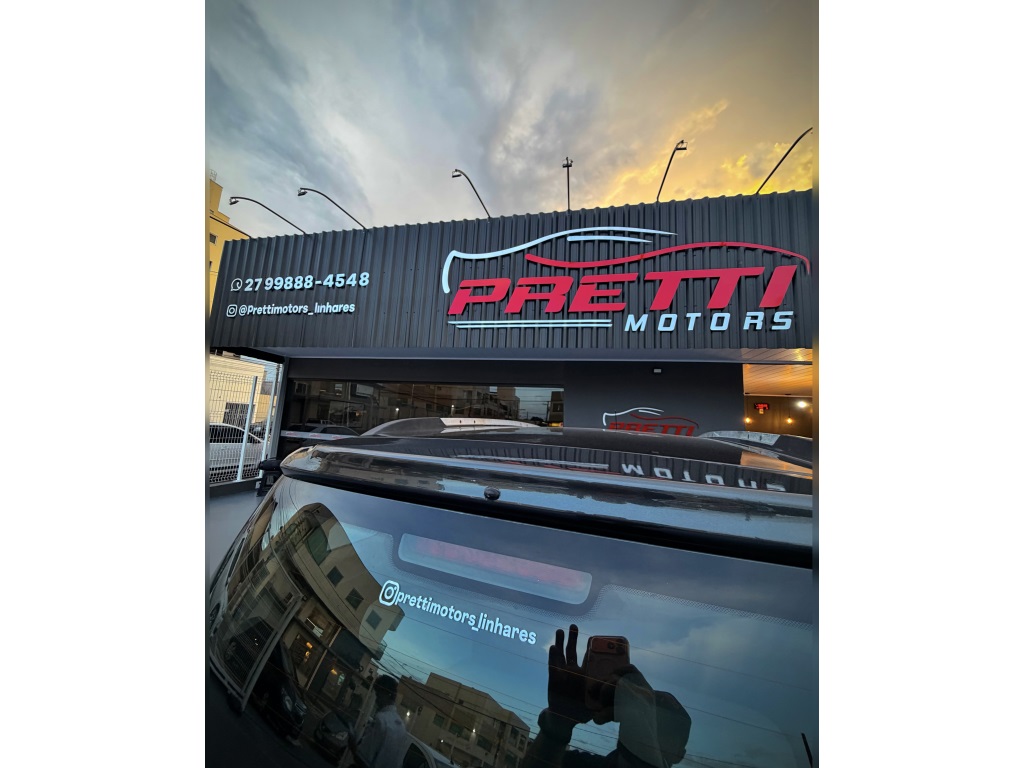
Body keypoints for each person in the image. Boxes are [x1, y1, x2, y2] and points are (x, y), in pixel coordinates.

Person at [524, 625, 692, 768]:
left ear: (679, 755)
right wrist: (558, 724)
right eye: (649, 713)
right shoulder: (583, 764)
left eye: (666, 726)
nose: (652, 725)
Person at [352, 675, 407, 768]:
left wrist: (352, 745)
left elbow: (363, 758)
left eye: (378, 695)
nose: (376, 700)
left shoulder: (380, 720)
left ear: (386, 694)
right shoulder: (401, 727)